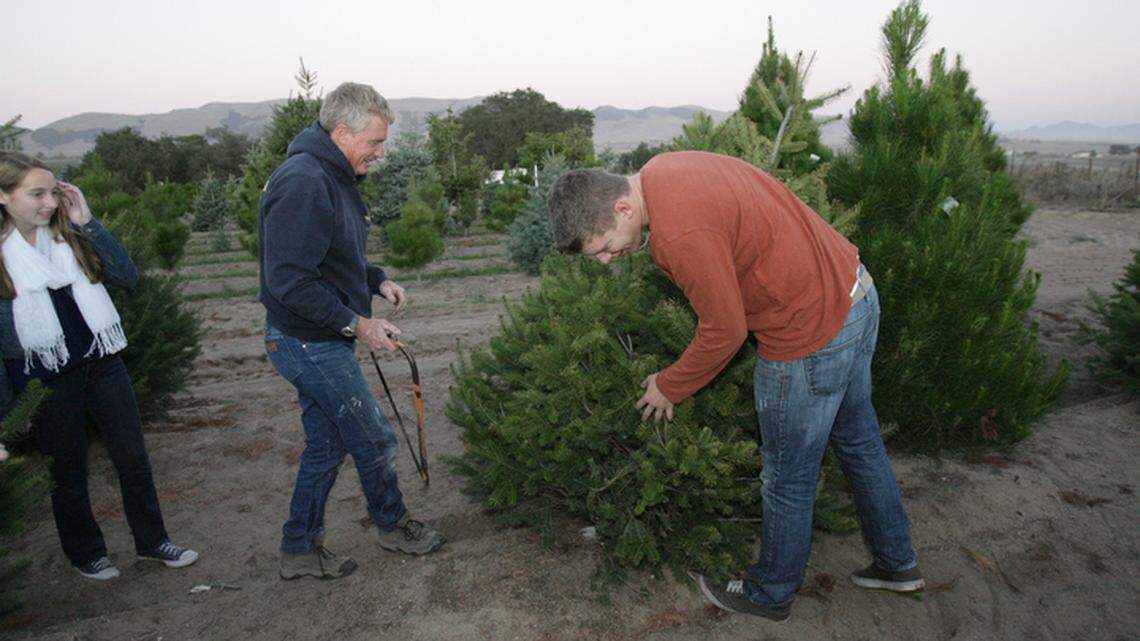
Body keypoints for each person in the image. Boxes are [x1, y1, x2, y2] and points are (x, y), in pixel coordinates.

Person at [547, 151, 923, 621]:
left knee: (787, 478)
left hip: (810, 333)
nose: (605, 260)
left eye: (602, 246)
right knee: (859, 440)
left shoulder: (678, 235)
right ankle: (897, 563)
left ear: (622, 209)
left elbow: (725, 332)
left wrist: (669, 384)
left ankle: (770, 593)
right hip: (855, 294)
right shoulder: (663, 169)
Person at [258, 81, 445, 581]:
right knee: (375, 438)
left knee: (326, 444)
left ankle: (298, 547)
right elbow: (291, 280)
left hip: (316, 337)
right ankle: (392, 523)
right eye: (375, 142)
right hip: (307, 342)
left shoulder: (333, 175)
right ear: (342, 132)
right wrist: (359, 324)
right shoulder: (303, 181)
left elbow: (334, 257)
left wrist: (376, 279)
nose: (381, 153)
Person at [0, 152, 198, 580]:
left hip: (102, 364)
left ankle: (153, 541)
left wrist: (87, 222)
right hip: (45, 377)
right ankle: (86, 552)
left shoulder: (68, 237)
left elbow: (126, 277)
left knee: (133, 457)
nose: (49, 202)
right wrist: (7, 409)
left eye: (52, 192)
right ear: (3, 196)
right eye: (36, 194)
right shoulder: (3, 258)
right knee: (67, 468)